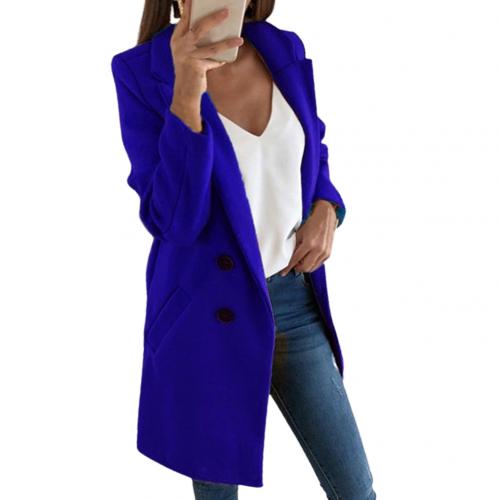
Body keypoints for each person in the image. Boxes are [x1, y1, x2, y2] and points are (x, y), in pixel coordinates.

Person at [111, 0, 376, 498]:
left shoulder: (282, 48)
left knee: (355, 489)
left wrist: (328, 206)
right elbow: (173, 220)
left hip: (293, 302)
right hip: (206, 317)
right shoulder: (141, 72)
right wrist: (187, 92)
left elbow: (312, 147)